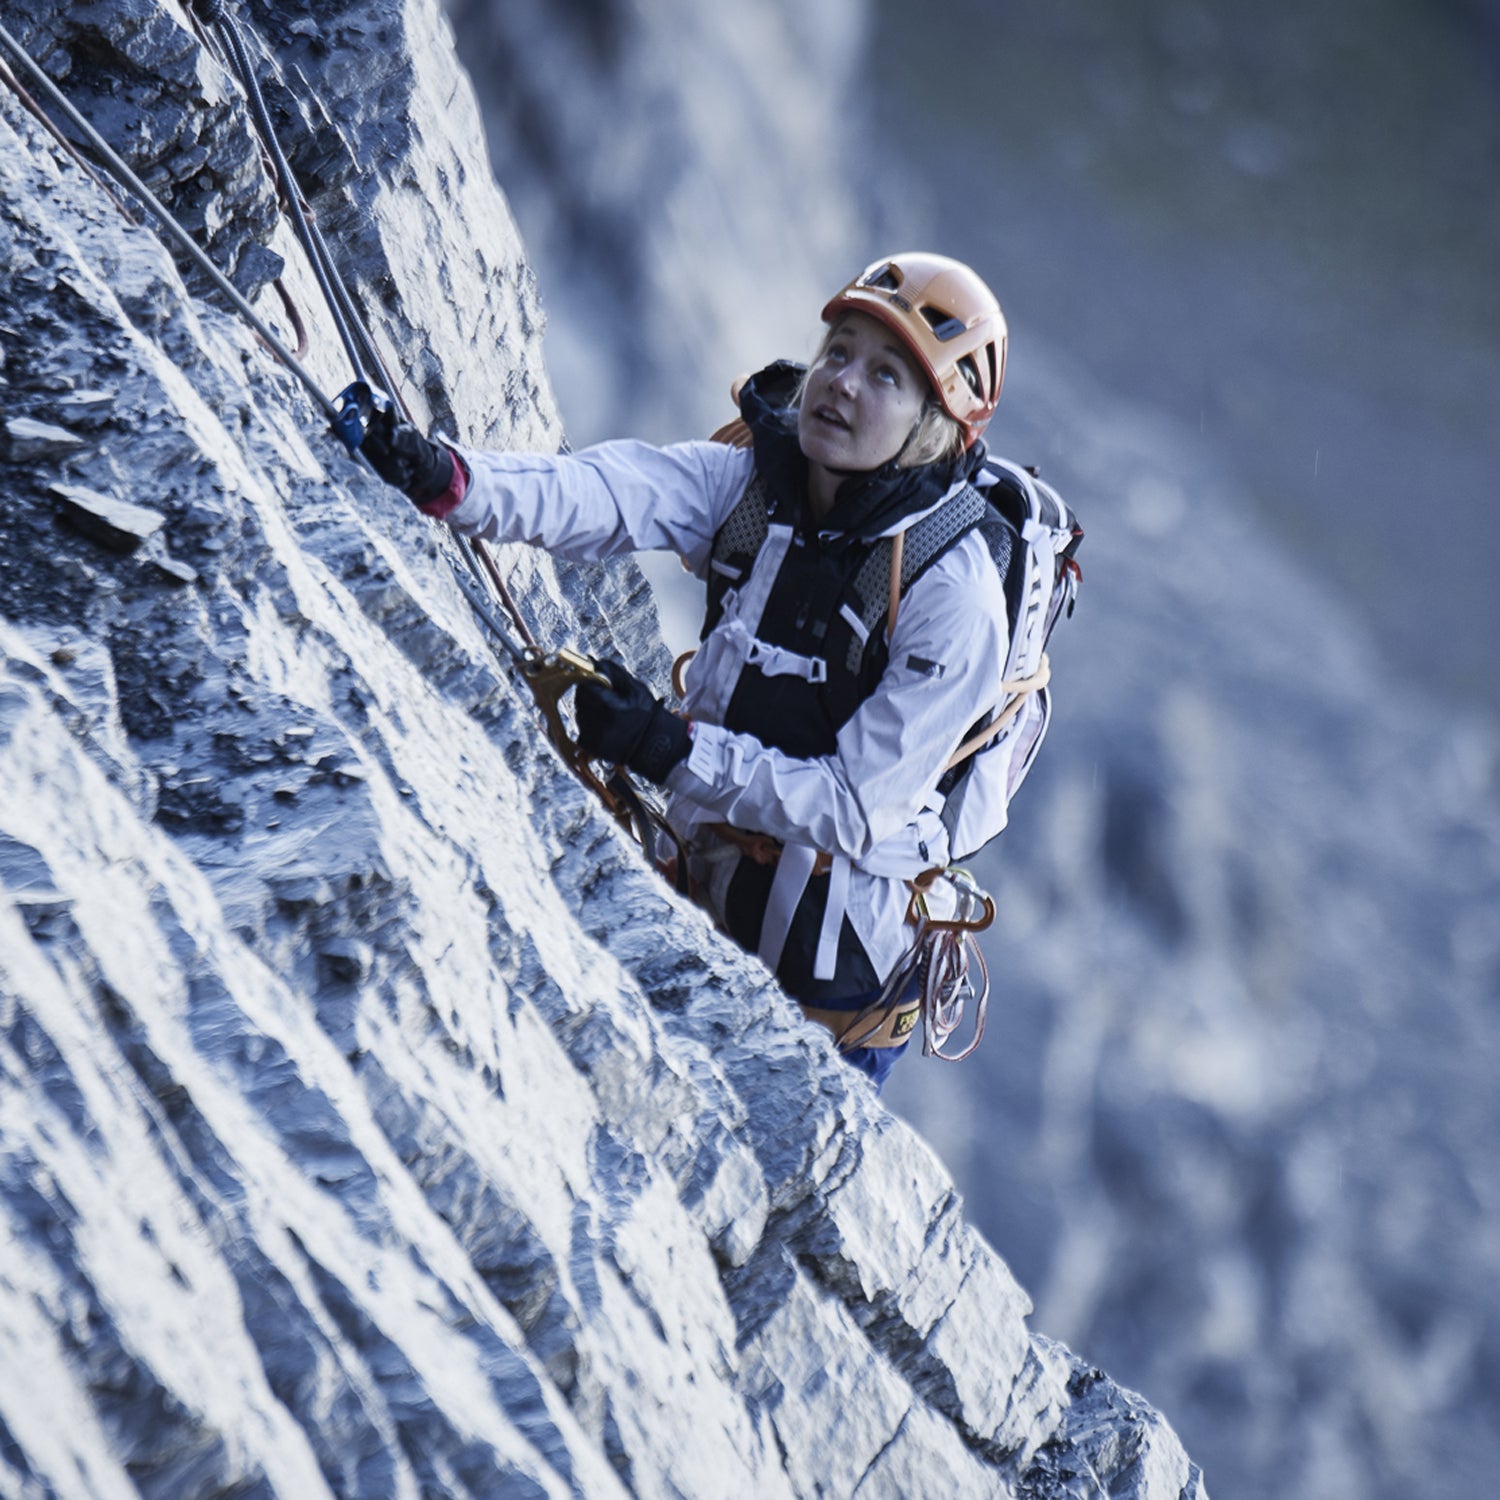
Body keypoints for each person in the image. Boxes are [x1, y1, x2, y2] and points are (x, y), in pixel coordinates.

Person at [362, 252, 1034, 1090]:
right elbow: (607, 492)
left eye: (887, 375)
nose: (843, 384)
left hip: (833, 994)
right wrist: (452, 479)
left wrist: (670, 750)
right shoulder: (759, 481)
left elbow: (856, 809)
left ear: (937, 424)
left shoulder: (954, 594)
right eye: (839, 352)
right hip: (701, 877)